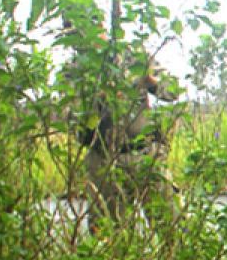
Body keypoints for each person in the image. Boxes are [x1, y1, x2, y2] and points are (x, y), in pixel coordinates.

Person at [69, 36, 179, 227]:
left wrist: (149, 81)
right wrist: (98, 98)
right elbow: (72, 122)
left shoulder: (133, 55)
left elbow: (173, 92)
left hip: (145, 155)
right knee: (107, 234)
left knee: (171, 225)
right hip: (104, 162)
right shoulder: (74, 72)